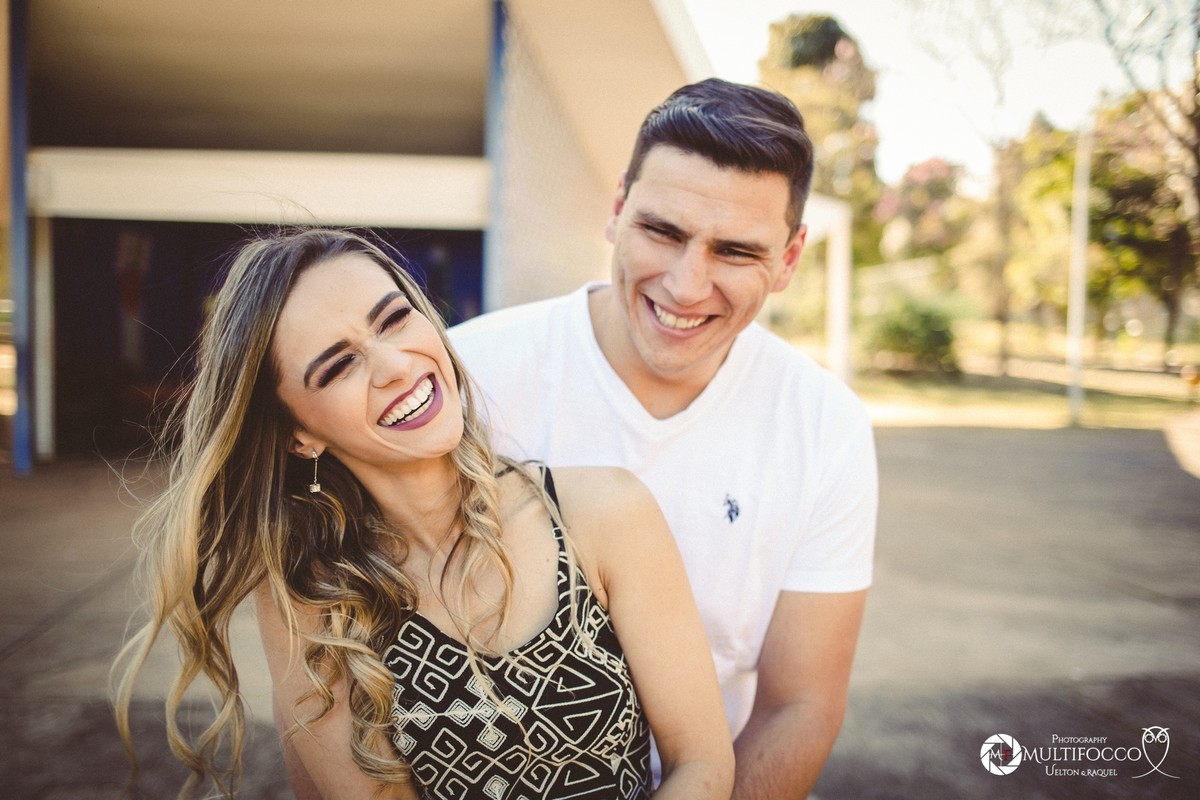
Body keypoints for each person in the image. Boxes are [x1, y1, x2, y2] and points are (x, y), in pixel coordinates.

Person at [112, 229, 733, 800]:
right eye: (339, 365)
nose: (397, 365)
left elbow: (701, 763)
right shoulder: (313, 598)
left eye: (394, 320)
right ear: (297, 435)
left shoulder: (603, 512)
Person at [449, 78, 878, 798]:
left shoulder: (825, 426)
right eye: (663, 231)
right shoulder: (471, 378)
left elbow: (799, 703)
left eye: (736, 251)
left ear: (790, 260)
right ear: (617, 210)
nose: (685, 285)